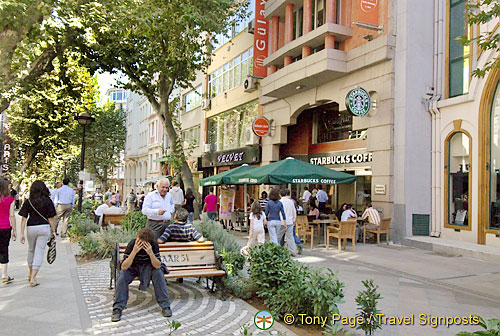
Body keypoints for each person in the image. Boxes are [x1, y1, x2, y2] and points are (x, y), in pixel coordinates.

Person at [111, 228, 172, 322]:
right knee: (122, 277)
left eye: (143, 243)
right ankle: (117, 309)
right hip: (133, 267)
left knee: (159, 274)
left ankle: (165, 306)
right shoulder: (132, 244)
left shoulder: (153, 244)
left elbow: (157, 265)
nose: (140, 243)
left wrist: (150, 253)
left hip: (149, 267)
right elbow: (124, 266)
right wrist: (134, 251)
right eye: (139, 240)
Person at [19, 180, 57, 287]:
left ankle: (30, 273)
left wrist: (21, 233)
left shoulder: (29, 201)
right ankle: (33, 277)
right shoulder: (48, 201)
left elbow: (23, 218)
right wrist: (53, 231)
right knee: (39, 251)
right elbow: (51, 218)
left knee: (31, 250)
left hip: (31, 227)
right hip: (44, 227)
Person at [0, 179, 16, 284]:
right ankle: (4, 275)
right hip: (5, 227)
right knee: (4, 249)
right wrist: (15, 230)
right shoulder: (10, 199)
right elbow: (11, 215)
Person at [278, 189, 298, 256]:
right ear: (288, 194)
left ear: (280, 195)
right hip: (290, 221)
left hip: (281, 222)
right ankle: (293, 251)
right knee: (290, 237)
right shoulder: (291, 202)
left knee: (278, 237)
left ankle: (274, 249)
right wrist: (294, 219)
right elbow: (294, 211)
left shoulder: (279, 202)